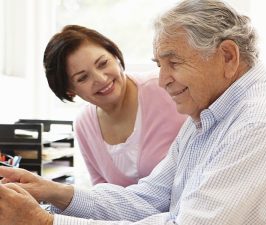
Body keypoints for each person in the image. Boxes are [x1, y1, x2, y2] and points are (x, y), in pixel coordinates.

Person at [1, 0, 266, 224]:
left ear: (227, 56)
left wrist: (44, 221)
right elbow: (147, 199)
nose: (162, 80)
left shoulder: (263, 122)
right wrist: (51, 191)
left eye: (174, 63)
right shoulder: (206, 116)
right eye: (159, 65)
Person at [43, 25, 187, 186]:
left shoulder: (166, 88)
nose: (101, 79)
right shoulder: (84, 125)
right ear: (70, 91)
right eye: (83, 78)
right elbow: (101, 193)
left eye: (103, 63)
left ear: (115, 55)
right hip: (128, 212)